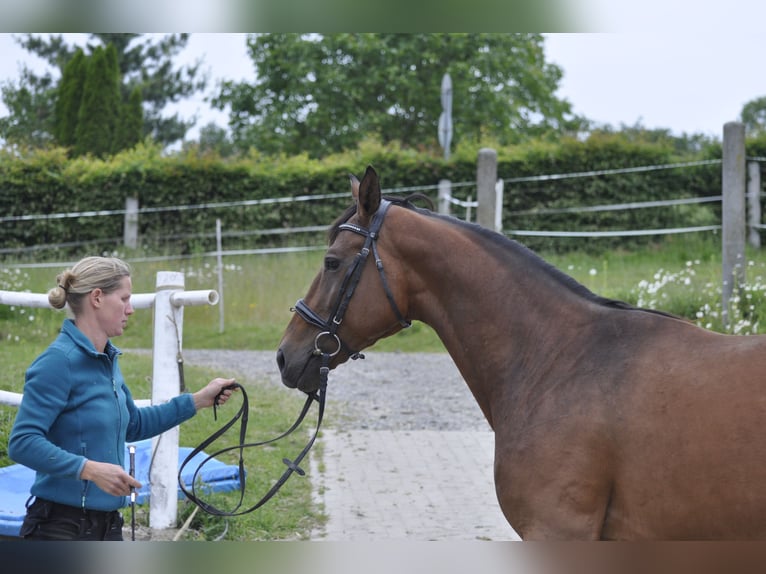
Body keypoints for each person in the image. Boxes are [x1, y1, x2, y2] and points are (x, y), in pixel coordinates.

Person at [8, 256, 236, 541]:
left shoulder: (107, 358)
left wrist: (198, 400)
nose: (130, 309)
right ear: (97, 298)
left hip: (107, 526)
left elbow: (134, 424)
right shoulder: (58, 362)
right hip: (60, 528)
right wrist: (89, 469)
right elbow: (22, 442)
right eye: (124, 299)